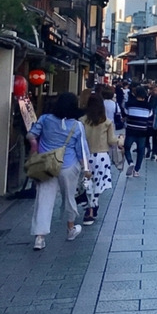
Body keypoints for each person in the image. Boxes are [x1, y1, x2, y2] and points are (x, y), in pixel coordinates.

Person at [27, 92, 91, 250]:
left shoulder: (45, 119)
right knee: (69, 197)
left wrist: (35, 147)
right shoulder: (77, 125)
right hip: (68, 166)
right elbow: (81, 150)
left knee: (43, 199)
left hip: (46, 164)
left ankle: (39, 237)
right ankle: (70, 229)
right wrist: (86, 168)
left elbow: (31, 135)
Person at [82, 93, 118, 225]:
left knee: (86, 183)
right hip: (101, 157)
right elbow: (111, 140)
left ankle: (89, 209)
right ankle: (93, 206)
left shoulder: (81, 121)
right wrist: (120, 140)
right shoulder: (106, 122)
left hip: (85, 157)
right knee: (98, 183)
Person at [122, 85, 154, 177]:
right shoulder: (148, 106)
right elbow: (150, 119)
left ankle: (130, 162)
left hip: (131, 130)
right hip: (142, 131)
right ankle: (136, 170)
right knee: (141, 150)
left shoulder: (129, 104)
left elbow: (125, 114)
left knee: (127, 147)